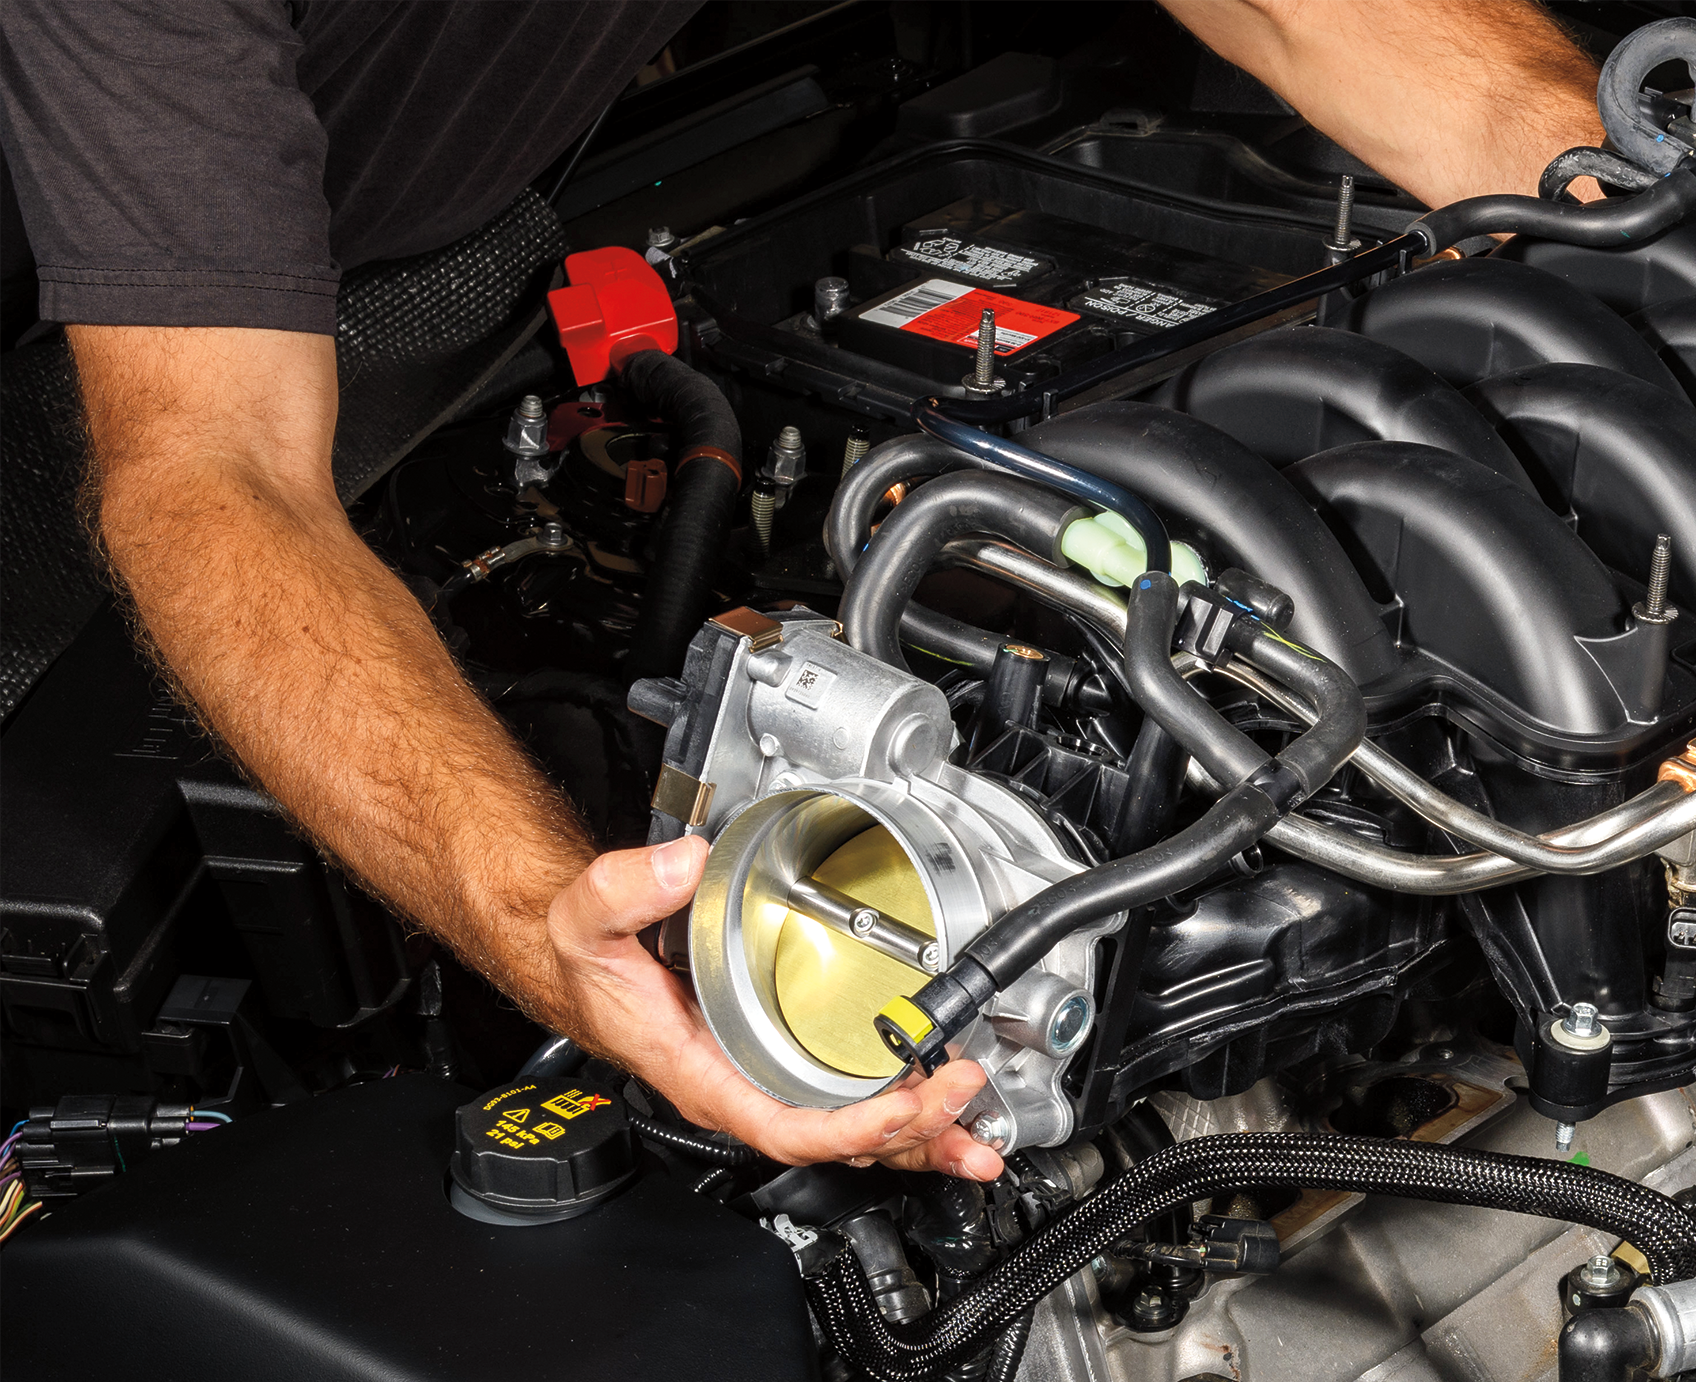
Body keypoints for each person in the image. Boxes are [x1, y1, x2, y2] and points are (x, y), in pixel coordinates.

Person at [0, 0, 1605, 1181]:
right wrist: (543, 924)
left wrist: (1681, 237)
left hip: (448, 215)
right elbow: (207, 470)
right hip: (110, 308)